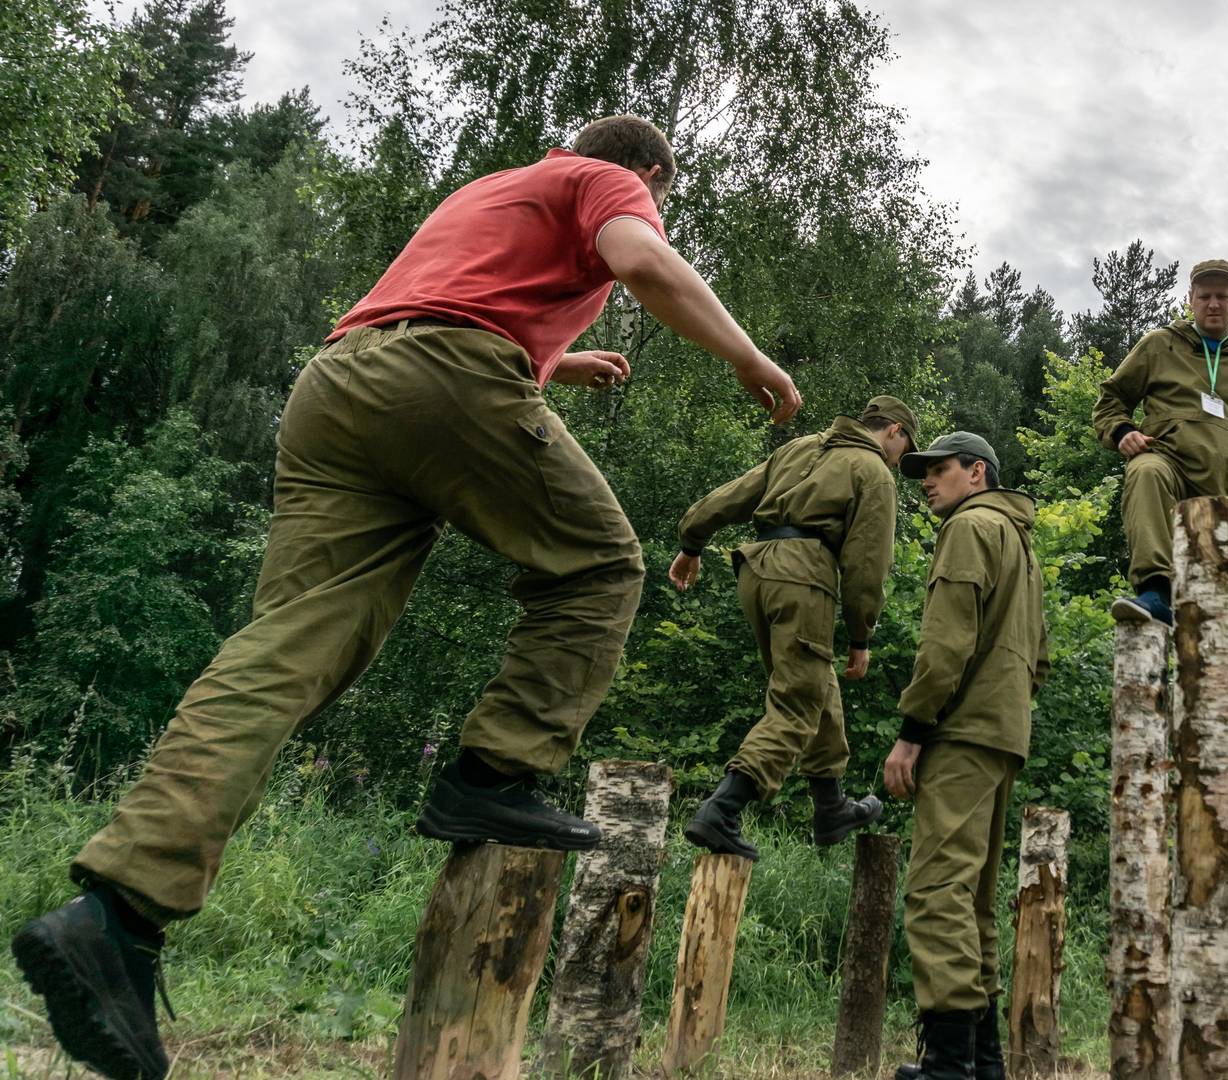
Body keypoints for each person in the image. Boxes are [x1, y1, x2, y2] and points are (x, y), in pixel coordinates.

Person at [10, 114, 801, 1080]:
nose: (653, 208)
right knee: (598, 567)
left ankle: (119, 911)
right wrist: (748, 358)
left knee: (288, 646)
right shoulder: (609, 179)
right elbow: (639, 262)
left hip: (337, 388)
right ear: (646, 167)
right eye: (661, 194)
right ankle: (496, 775)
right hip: (440, 376)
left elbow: (452, 305)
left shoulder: (491, 189)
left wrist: (557, 363)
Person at [668, 396, 918, 859]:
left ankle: (830, 806)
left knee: (814, 681)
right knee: (797, 702)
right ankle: (723, 808)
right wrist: (861, 635)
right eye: (904, 449)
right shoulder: (873, 471)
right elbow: (867, 564)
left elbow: (733, 495)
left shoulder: (802, 447)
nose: (899, 459)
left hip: (756, 570)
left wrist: (692, 542)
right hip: (803, 574)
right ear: (895, 432)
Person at [882, 432, 1046, 1080]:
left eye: (939, 470)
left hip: (960, 732)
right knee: (972, 899)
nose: (926, 481)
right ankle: (982, 1065)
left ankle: (948, 1067)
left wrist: (913, 729)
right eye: (921, 472)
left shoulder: (969, 529)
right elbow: (1040, 657)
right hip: (1003, 734)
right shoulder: (1019, 541)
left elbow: (945, 644)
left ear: (977, 472)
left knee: (933, 892)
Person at [1093, 258, 1228, 624]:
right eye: (1204, 296)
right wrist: (1122, 432)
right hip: (1167, 459)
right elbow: (1112, 398)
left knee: (1218, 614)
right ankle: (1154, 592)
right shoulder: (1159, 345)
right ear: (1190, 298)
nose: (1213, 304)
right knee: (1146, 472)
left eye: (1222, 295)